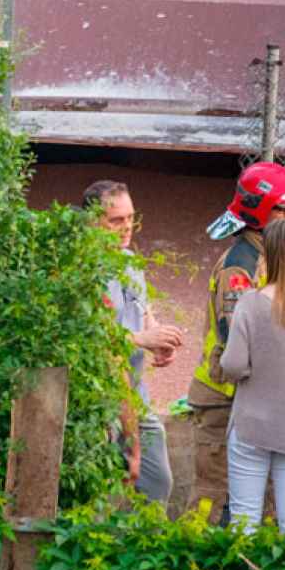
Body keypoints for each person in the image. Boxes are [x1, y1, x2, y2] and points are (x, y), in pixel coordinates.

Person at [188, 162, 285, 523]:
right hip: (223, 398)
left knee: (261, 506)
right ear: (260, 211)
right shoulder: (240, 266)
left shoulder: (267, 258)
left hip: (253, 397)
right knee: (212, 500)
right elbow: (238, 340)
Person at [219, 218, 285, 539]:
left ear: (273, 256)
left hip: (253, 426)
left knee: (245, 524)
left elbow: (234, 365)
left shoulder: (251, 304)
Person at [84, 180, 184, 505]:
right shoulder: (83, 269)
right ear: (92, 222)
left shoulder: (129, 261)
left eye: (130, 217)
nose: (127, 226)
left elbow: (143, 310)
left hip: (136, 396)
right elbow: (92, 339)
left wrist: (157, 337)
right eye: (116, 220)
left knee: (157, 483)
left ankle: (143, 550)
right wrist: (142, 338)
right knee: (103, 491)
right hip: (100, 401)